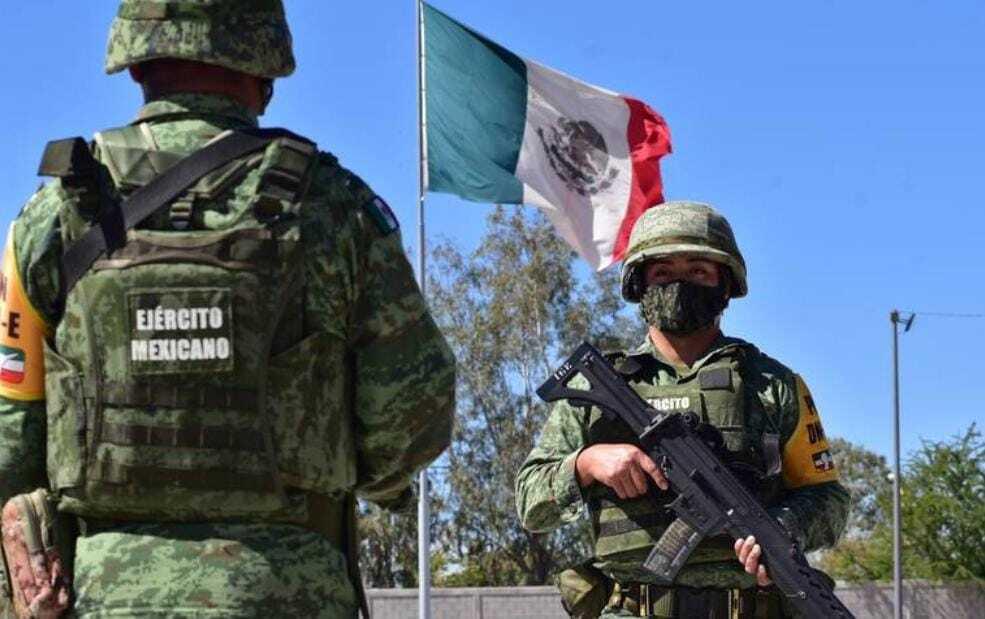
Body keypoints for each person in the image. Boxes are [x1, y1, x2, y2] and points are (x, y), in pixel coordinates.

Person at [0, 1, 455, 616]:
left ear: (134, 64)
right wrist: (373, 481)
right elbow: (413, 411)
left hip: (103, 595)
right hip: (289, 591)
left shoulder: (53, 217)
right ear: (265, 67)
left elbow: (11, 433)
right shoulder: (335, 208)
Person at [515, 201, 849, 618]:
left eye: (698, 271)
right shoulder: (596, 388)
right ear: (639, 283)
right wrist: (586, 463)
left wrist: (784, 528)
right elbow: (531, 504)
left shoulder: (771, 385)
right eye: (663, 272)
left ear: (726, 283)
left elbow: (829, 499)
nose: (680, 283)